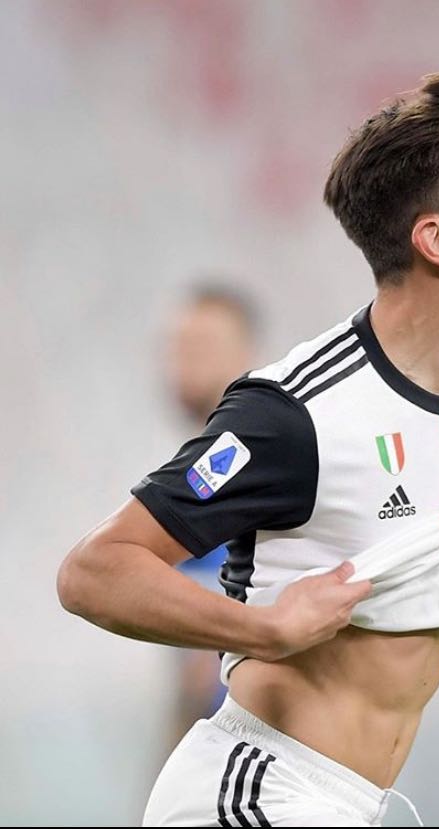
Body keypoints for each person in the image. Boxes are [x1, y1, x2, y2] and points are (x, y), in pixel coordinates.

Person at [57, 72, 439, 827]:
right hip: (255, 790)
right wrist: (265, 628)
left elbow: (436, 576)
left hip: (348, 803)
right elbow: (93, 571)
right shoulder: (297, 412)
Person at [161, 281, 260, 747]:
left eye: (202, 346)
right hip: (209, 726)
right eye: (179, 347)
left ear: (245, 355)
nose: (185, 362)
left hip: (257, 733)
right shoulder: (190, 472)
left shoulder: (253, 466)